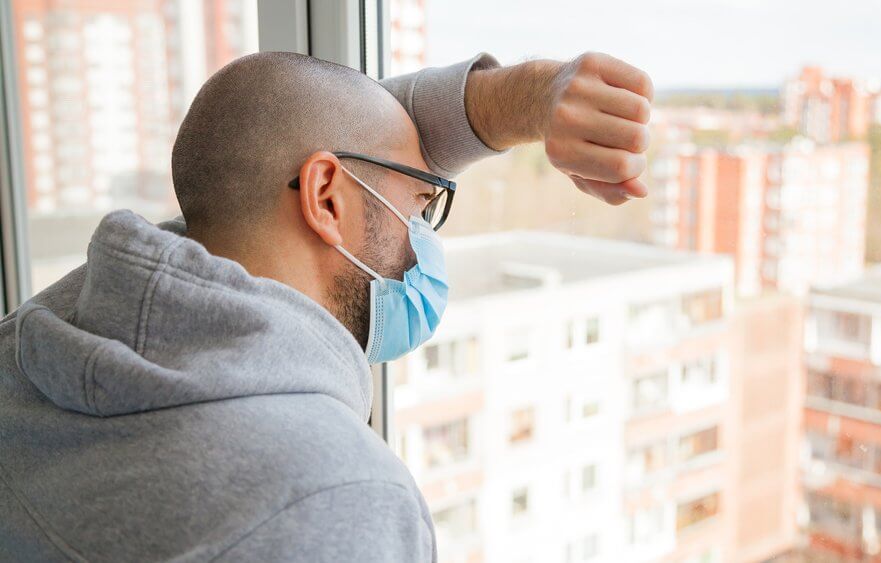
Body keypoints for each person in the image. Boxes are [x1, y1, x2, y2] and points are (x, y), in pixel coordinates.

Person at [0, 51, 652, 561]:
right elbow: (304, 126)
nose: (422, 240)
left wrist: (537, 99)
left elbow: (271, 134)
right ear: (328, 199)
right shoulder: (338, 496)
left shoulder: (35, 343)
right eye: (421, 203)